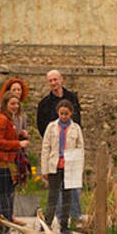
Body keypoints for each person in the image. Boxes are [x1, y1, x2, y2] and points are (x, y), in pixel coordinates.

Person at [36, 70, 82, 221]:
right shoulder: (44, 104)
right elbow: (41, 126)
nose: (53, 83)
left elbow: (79, 124)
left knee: (71, 190)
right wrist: (53, 142)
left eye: (55, 79)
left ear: (61, 80)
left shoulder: (72, 98)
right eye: (50, 81)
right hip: (54, 150)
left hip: (71, 150)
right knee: (54, 193)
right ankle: (52, 220)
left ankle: (72, 218)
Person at [40, 99, 84, 233]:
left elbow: (80, 148)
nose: (64, 116)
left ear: (71, 113)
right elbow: (45, 148)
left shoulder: (76, 128)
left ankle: (64, 224)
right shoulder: (51, 127)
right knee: (52, 196)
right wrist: (44, 169)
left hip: (69, 166)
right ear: (58, 112)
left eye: (66, 114)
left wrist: (77, 168)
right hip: (54, 165)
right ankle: (47, 223)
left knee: (67, 196)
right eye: (61, 113)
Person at [0, 94, 29, 234]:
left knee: (7, 199)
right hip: (2, 164)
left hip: (8, 163)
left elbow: (6, 137)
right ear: (5, 104)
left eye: (17, 104)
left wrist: (18, 135)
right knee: (2, 200)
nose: (15, 106)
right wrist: (18, 144)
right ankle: (0, 233)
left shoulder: (8, 119)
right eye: (12, 103)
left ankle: (5, 232)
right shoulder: (1, 119)